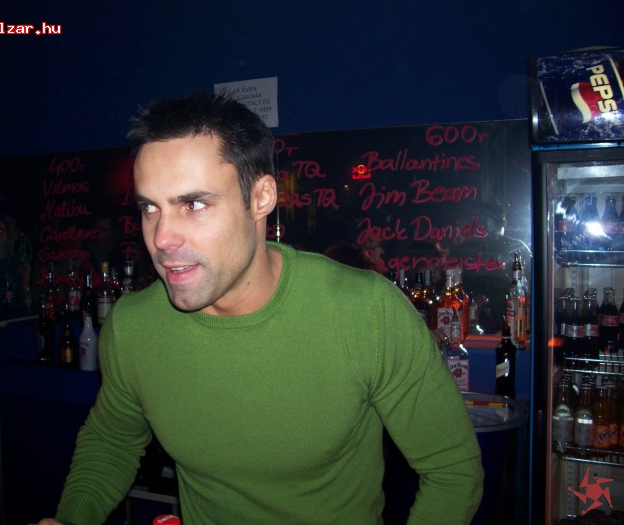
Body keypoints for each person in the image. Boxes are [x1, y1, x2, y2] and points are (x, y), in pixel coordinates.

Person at [35, 93, 483, 525]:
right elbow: (111, 442)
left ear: (262, 198)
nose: (162, 238)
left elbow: (452, 469)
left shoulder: (365, 310)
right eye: (150, 207)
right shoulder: (134, 327)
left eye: (193, 204)